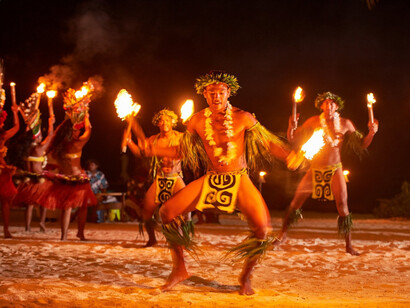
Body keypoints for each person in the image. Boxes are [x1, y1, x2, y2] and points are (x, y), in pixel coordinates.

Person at [144, 71, 289, 295]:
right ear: (204, 94)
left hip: (239, 178)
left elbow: (267, 143)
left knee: (262, 229)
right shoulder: (197, 120)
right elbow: (183, 150)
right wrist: (156, 149)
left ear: (228, 93)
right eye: (211, 93)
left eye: (220, 92)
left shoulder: (243, 117)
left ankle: (246, 276)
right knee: (167, 212)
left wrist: (288, 156)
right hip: (212, 178)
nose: (216, 97)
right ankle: (180, 269)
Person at [278, 91, 378, 255]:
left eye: (332, 104)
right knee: (296, 202)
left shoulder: (345, 124)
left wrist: (371, 133)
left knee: (342, 206)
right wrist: (291, 127)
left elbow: (361, 145)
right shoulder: (313, 121)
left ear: (337, 106)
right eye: (325, 103)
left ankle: (349, 245)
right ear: (321, 106)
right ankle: (282, 235)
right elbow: (293, 140)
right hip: (315, 168)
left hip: (334, 168)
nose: (329, 106)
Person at [127, 109, 185, 247]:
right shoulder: (154, 139)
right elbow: (142, 153)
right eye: (161, 120)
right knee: (146, 210)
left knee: (182, 212)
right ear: (157, 124)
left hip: (175, 177)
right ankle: (152, 238)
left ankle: (181, 239)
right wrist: (129, 141)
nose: (164, 122)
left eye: (167, 120)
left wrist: (155, 150)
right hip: (159, 178)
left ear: (173, 122)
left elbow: (179, 153)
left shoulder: (180, 137)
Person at [41, 113, 96, 240]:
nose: (78, 132)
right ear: (70, 133)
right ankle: (80, 233)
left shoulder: (59, 147)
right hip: (78, 180)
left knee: (68, 208)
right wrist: (87, 117)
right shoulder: (77, 144)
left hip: (64, 180)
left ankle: (64, 235)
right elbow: (89, 130)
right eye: (76, 130)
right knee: (81, 207)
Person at [12, 107, 55, 232]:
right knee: (43, 203)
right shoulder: (39, 149)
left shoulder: (25, 148)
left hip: (27, 181)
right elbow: (51, 135)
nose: (41, 137)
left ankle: (28, 226)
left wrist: (27, 119)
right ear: (35, 137)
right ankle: (41, 223)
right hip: (39, 180)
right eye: (39, 135)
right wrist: (51, 123)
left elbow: (27, 131)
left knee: (30, 205)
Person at [0, 103, 20, 238]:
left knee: (5, 202)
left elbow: (17, 128)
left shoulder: (3, 136)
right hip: (2, 170)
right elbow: (17, 127)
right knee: (5, 202)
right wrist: (15, 112)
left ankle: (7, 230)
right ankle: (6, 230)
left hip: (3, 171)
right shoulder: (3, 136)